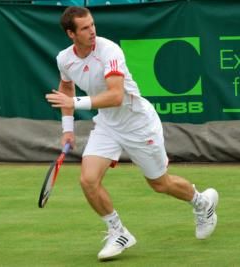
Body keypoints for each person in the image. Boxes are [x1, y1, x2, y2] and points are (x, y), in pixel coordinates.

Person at [45, 6, 218, 261]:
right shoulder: (64, 59)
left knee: (159, 183)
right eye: (84, 28)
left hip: (138, 124)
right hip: (107, 124)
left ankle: (202, 203)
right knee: (88, 180)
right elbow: (66, 87)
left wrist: (76, 104)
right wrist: (68, 130)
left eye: (92, 24)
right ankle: (118, 232)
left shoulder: (109, 50)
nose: (92, 31)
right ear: (71, 34)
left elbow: (116, 96)